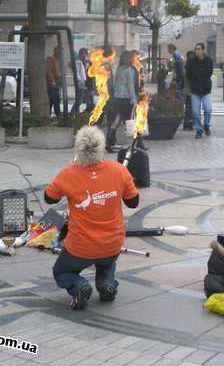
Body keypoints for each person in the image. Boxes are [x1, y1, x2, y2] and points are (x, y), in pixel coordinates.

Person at [45, 126, 139, 310]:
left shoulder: (68, 174)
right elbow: (133, 202)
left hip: (80, 246)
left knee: (61, 271)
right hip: (112, 242)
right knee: (106, 263)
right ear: (102, 147)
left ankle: (78, 285)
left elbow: (49, 198)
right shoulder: (119, 171)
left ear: (78, 148)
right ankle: (106, 284)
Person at [106, 51, 137, 153]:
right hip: (126, 98)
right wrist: (134, 100)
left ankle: (109, 141)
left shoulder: (119, 69)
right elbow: (131, 86)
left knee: (118, 119)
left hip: (117, 97)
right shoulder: (129, 70)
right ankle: (134, 143)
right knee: (131, 121)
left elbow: (115, 84)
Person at [186, 43, 214, 139]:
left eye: (199, 49)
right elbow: (188, 74)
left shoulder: (208, 61)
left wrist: (198, 75)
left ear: (203, 50)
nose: (197, 51)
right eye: (196, 49)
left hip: (206, 90)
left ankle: (206, 125)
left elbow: (209, 73)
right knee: (195, 112)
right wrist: (191, 85)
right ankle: (199, 130)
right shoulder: (191, 61)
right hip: (195, 91)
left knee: (208, 109)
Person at [46, 46, 62, 117]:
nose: (60, 53)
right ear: (55, 51)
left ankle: (56, 114)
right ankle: (57, 114)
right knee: (54, 99)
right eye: (59, 51)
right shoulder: (51, 59)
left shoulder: (58, 60)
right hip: (52, 82)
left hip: (57, 81)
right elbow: (48, 71)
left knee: (55, 99)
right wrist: (52, 81)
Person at [183, 50, 195, 131]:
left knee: (187, 108)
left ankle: (186, 124)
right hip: (193, 91)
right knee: (193, 108)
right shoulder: (195, 66)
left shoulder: (185, 66)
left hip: (187, 90)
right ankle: (191, 123)